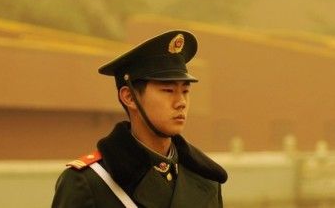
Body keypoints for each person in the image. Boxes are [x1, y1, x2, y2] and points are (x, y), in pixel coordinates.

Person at [51, 30, 227, 207]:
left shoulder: (206, 179)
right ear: (129, 97)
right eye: (168, 91)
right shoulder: (90, 181)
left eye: (185, 91)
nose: (181, 102)